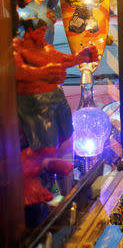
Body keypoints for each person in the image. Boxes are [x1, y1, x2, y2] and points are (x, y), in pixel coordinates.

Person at [14, 18, 98, 205]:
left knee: (66, 137)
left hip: (55, 97)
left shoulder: (46, 49)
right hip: (35, 101)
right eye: (40, 32)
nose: (43, 35)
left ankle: (50, 161)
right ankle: (29, 178)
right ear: (29, 32)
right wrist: (42, 73)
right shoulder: (17, 48)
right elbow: (15, 71)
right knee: (45, 144)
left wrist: (82, 57)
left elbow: (63, 59)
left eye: (44, 31)